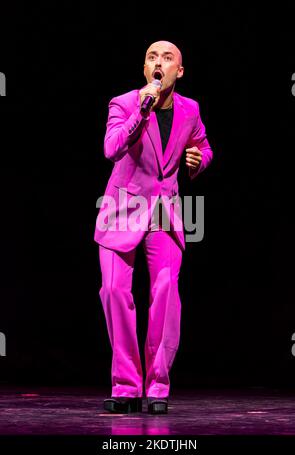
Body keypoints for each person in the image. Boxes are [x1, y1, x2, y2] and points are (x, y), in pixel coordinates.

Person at [94, 40, 213, 414]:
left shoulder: (190, 110)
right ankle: (126, 386)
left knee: (165, 292)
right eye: (151, 57)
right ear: (145, 70)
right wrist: (141, 111)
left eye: (167, 57)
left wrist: (198, 160)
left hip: (164, 211)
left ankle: (158, 387)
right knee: (114, 292)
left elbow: (204, 147)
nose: (157, 62)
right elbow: (111, 148)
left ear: (179, 71)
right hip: (121, 208)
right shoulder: (124, 103)